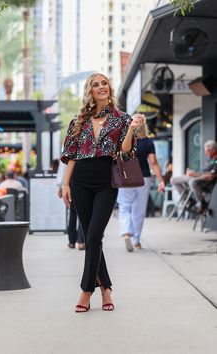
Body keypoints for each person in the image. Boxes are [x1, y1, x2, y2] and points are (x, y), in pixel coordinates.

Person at [61, 73, 145, 313]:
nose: (101, 87)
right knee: (91, 238)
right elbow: (72, 157)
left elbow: (126, 151)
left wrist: (131, 129)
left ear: (110, 87)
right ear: (90, 91)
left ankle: (86, 290)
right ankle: (106, 288)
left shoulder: (122, 119)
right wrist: (65, 185)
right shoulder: (78, 121)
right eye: (95, 85)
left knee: (95, 234)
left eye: (104, 83)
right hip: (80, 181)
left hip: (106, 181)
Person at [117, 118, 165, 252]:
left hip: (126, 177)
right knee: (139, 210)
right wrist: (161, 180)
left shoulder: (124, 140)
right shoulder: (148, 142)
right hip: (143, 178)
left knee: (125, 206)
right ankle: (136, 240)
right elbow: (153, 162)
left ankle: (126, 231)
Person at [171, 140, 217, 214]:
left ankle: (202, 203)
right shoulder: (209, 160)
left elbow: (211, 176)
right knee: (174, 180)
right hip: (198, 177)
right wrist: (192, 173)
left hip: (207, 182)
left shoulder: (216, 161)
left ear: (213, 150)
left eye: (207, 150)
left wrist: (194, 174)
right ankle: (189, 201)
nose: (205, 152)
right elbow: (202, 172)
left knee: (192, 182)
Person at [56, 160, 85, 250]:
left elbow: (63, 167)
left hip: (71, 182)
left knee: (72, 212)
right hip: (83, 181)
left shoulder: (68, 146)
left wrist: (61, 186)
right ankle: (81, 241)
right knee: (83, 211)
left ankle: (71, 241)